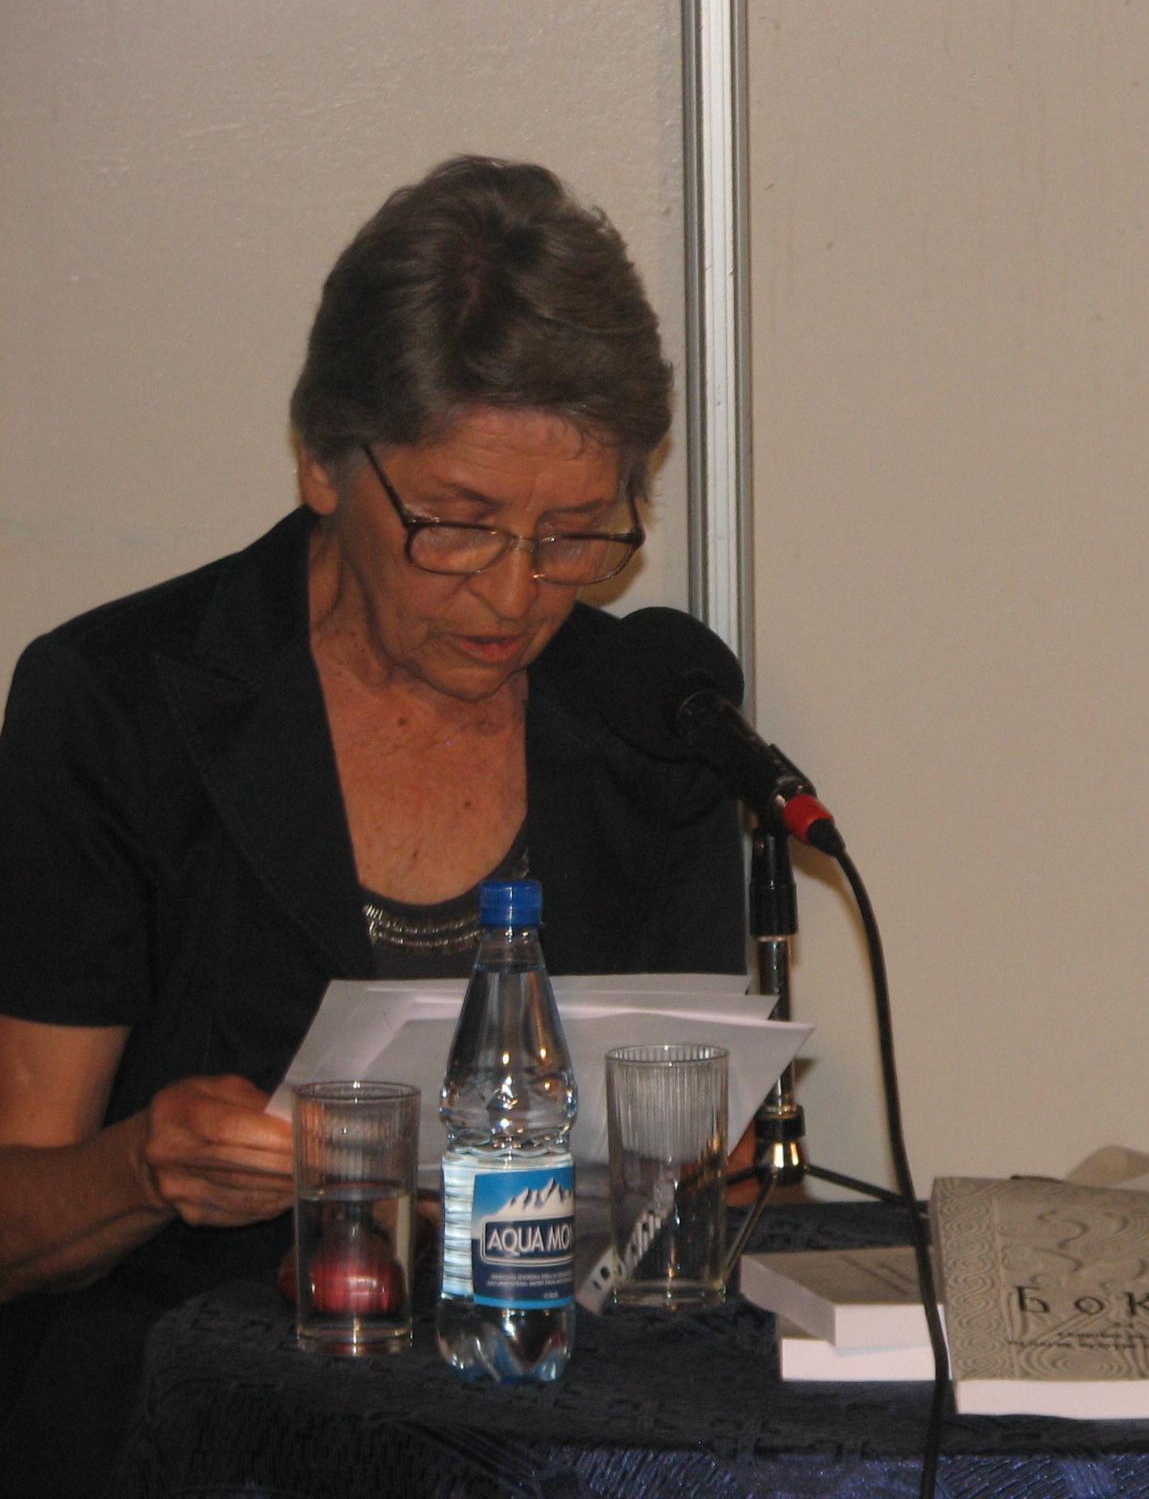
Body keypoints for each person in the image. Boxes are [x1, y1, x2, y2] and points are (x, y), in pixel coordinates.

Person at [0, 156, 747, 1489]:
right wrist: (143, 1169)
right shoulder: (120, 704)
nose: (514, 595)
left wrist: (697, 1184)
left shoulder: (649, 725)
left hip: (552, 1439)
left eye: (576, 536)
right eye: (457, 526)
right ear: (323, 461)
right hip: (192, 1438)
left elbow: (690, 1193)